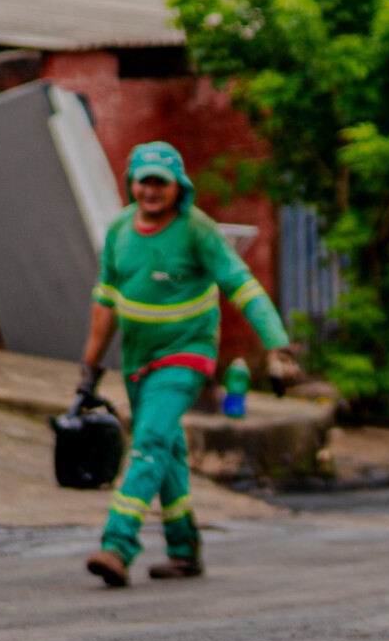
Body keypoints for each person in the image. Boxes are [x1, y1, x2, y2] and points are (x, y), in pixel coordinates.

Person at [76, 142, 301, 587]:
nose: (151, 191)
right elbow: (104, 303)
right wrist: (89, 370)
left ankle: (117, 545)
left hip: (186, 355)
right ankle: (184, 549)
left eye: (161, 183)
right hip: (137, 361)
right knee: (167, 451)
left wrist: (278, 346)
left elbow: (242, 285)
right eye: (144, 182)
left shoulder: (197, 231)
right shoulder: (119, 230)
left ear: (178, 187)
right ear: (132, 184)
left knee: (148, 442)